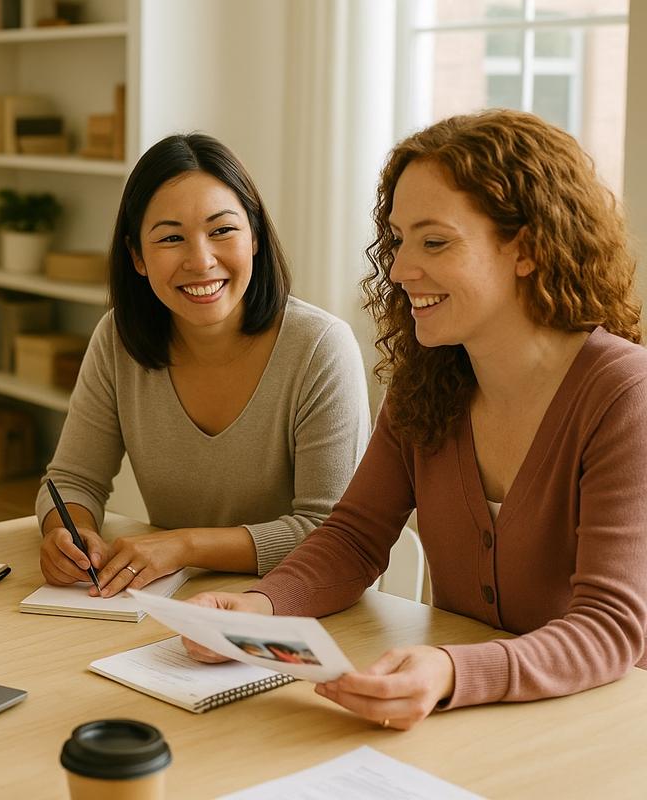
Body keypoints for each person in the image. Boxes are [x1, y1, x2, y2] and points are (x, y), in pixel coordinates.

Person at [184, 109, 647, 730]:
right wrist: (260, 606)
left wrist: (455, 671)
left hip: (597, 727)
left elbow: (610, 627)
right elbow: (354, 538)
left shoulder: (625, 395)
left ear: (528, 250)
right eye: (399, 240)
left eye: (435, 241)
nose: (400, 269)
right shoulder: (429, 382)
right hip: (471, 721)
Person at [37, 133, 371, 596]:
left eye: (222, 230)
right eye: (171, 237)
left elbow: (329, 533)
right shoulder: (118, 340)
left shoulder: (319, 348)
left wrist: (186, 546)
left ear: (254, 235)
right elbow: (72, 479)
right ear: (137, 256)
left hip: (299, 608)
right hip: (172, 606)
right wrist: (66, 533)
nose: (201, 260)